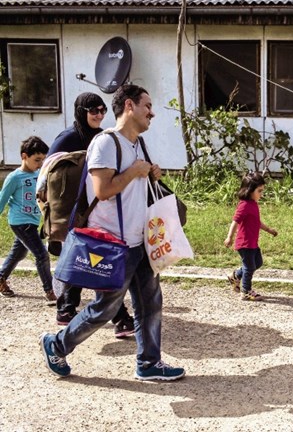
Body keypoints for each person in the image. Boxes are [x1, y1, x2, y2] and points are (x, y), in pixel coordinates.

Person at [39, 84, 185, 381]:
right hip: (112, 244)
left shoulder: (138, 144)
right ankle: (56, 344)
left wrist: (150, 173)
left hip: (138, 241)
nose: (152, 113)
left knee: (150, 303)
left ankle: (149, 363)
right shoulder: (106, 143)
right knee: (104, 310)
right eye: (148, 106)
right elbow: (103, 189)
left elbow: (136, 185)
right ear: (129, 106)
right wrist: (135, 171)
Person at [48, 92, 136, 337]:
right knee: (95, 260)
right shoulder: (68, 138)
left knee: (86, 258)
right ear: (81, 111)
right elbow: (48, 173)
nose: (98, 115)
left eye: (101, 110)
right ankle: (121, 319)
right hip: (74, 211)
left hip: (95, 209)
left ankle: (66, 309)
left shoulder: (103, 138)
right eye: (93, 111)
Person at [0, 136, 56, 304]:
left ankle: (1, 277)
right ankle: (50, 290)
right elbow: (2, 199)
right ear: (24, 156)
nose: (40, 164)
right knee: (41, 255)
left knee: (19, 252)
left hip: (33, 221)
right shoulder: (14, 177)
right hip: (20, 222)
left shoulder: (39, 174)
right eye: (37, 160)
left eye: (43, 160)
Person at [224, 172, 278, 301]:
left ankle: (235, 276)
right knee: (250, 267)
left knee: (257, 263)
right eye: (259, 191)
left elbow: (256, 222)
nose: (261, 194)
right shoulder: (244, 205)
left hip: (253, 242)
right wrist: (229, 237)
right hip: (244, 243)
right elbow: (235, 221)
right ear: (249, 190)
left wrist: (269, 230)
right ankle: (246, 291)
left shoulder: (253, 204)